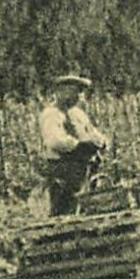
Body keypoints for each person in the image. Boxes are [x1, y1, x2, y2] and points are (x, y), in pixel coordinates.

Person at [38, 73, 110, 216]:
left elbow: (92, 131)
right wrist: (78, 145)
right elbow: (55, 140)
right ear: (59, 92)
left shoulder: (78, 114)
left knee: (87, 202)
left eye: (79, 92)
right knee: (65, 205)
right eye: (73, 92)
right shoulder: (51, 114)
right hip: (63, 168)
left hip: (83, 166)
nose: (78, 96)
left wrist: (101, 141)